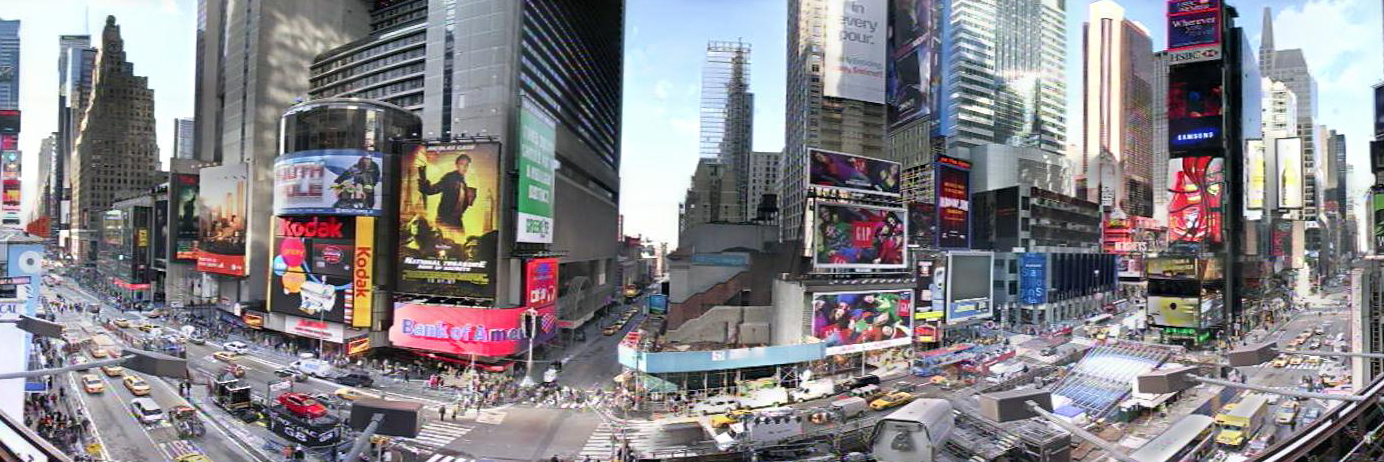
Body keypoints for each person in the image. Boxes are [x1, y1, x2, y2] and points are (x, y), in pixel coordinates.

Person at [416, 153, 477, 231]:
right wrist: (424, 184)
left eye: (466, 165)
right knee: (444, 241)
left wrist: (470, 196)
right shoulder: (450, 178)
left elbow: (462, 201)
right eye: (462, 164)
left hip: (456, 219)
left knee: (459, 241)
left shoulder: (463, 182)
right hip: (445, 219)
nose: (464, 167)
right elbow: (433, 190)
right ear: (457, 165)